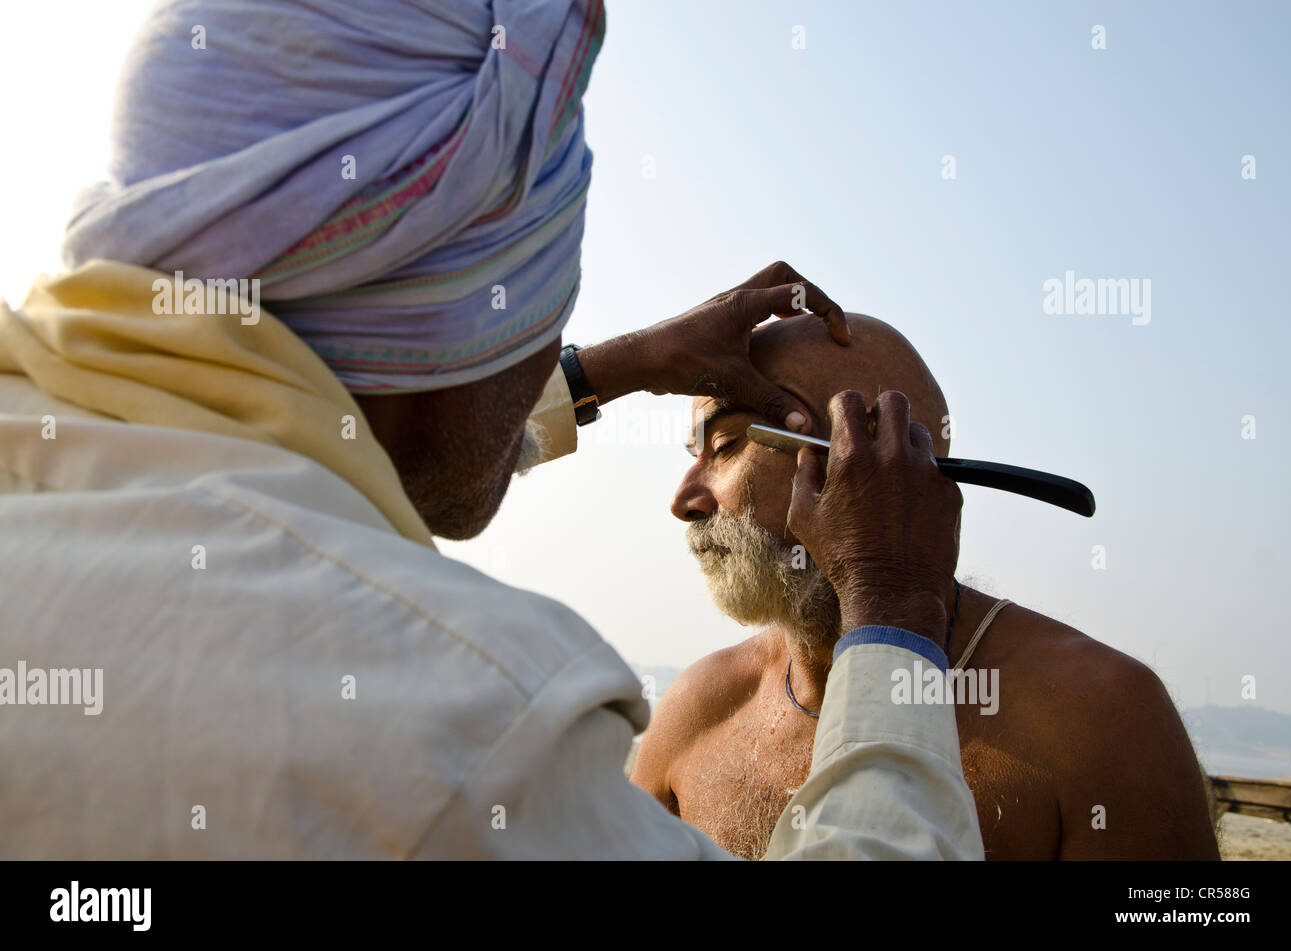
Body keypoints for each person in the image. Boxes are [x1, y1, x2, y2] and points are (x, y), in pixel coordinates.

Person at [0, 0, 981, 859]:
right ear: (449, 325)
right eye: (540, 319)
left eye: (723, 444)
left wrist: (603, 370)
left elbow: (351, 416)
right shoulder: (466, 727)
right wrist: (893, 611)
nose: (680, 496)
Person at [632, 312, 1221, 860]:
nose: (684, 500)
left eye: (727, 445)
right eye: (696, 454)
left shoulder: (1100, 714)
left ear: (863, 455)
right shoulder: (695, 709)